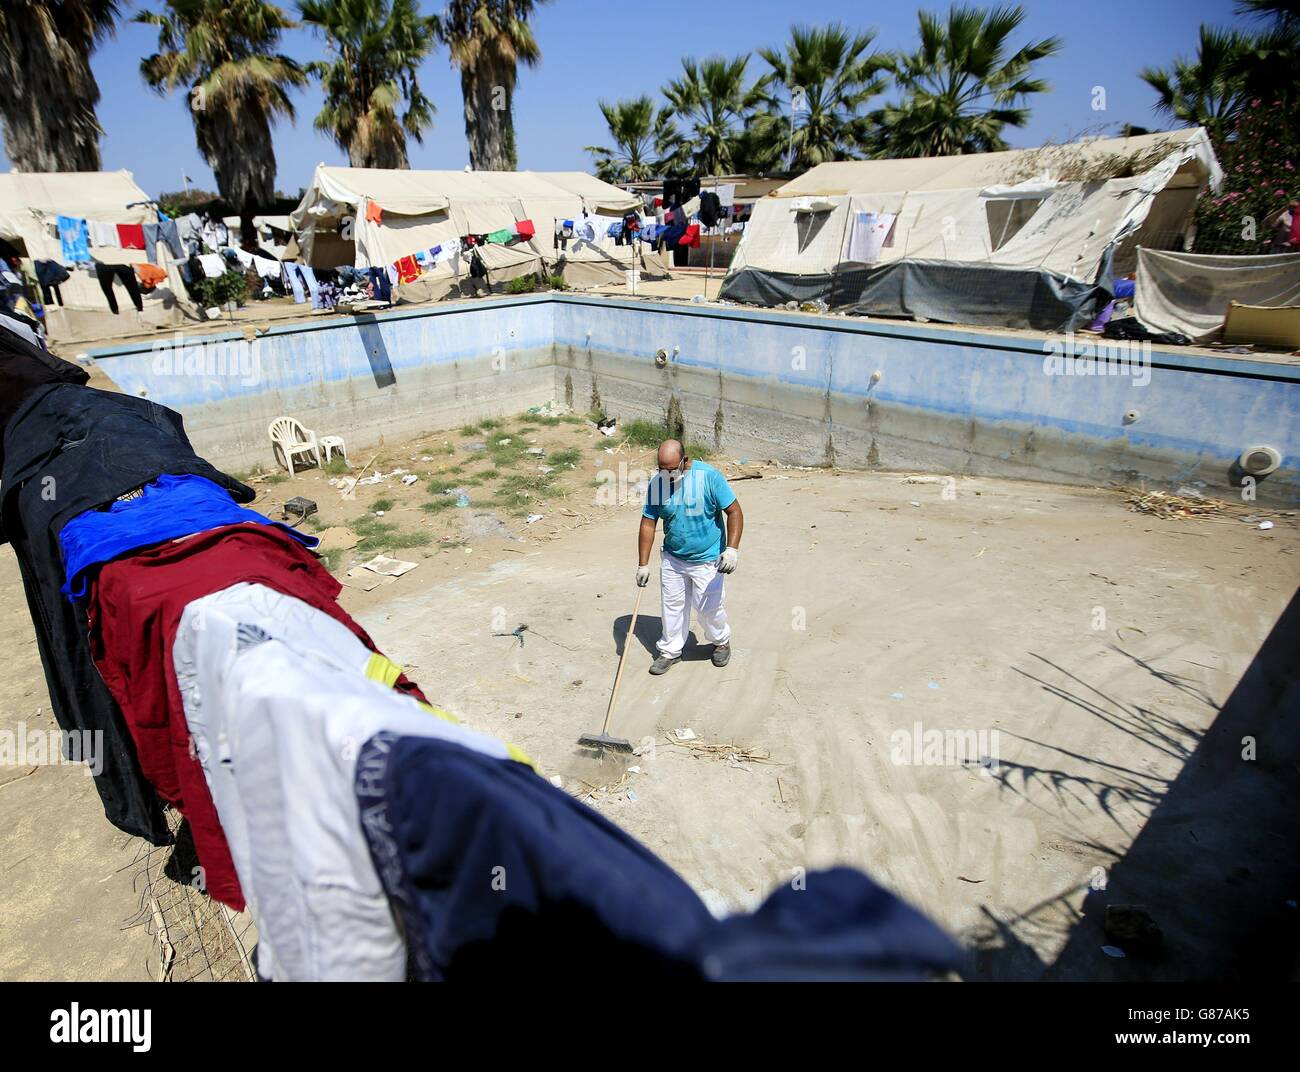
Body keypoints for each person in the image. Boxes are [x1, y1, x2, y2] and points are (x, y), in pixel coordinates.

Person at [636, 439, 743, 675]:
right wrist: (643, 564)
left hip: (707, 559)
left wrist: (732, 549)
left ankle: (721, 641)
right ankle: (670, 651)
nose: (667, 475)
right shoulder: (658, 484)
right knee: (672, 607)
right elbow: (648, 521)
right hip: (673, 558)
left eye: (672, 469)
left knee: (708, 609)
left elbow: (734, 511)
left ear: (685, 461)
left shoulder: (709, 478)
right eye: (662, 469)